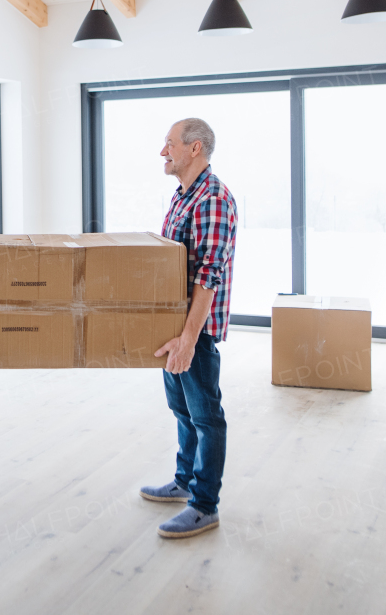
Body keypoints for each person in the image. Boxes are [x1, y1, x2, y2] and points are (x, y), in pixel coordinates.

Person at [142, 117, 237, 539]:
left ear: (194, 148)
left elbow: (208, 276)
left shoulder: (212, 199)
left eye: (170, 144)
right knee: (182, 411)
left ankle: (204, 505)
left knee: (206, 416)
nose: (164, 152)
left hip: (192, 331)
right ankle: (184, 481)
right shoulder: (184, 197)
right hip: (173, 326)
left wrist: (188, 339)